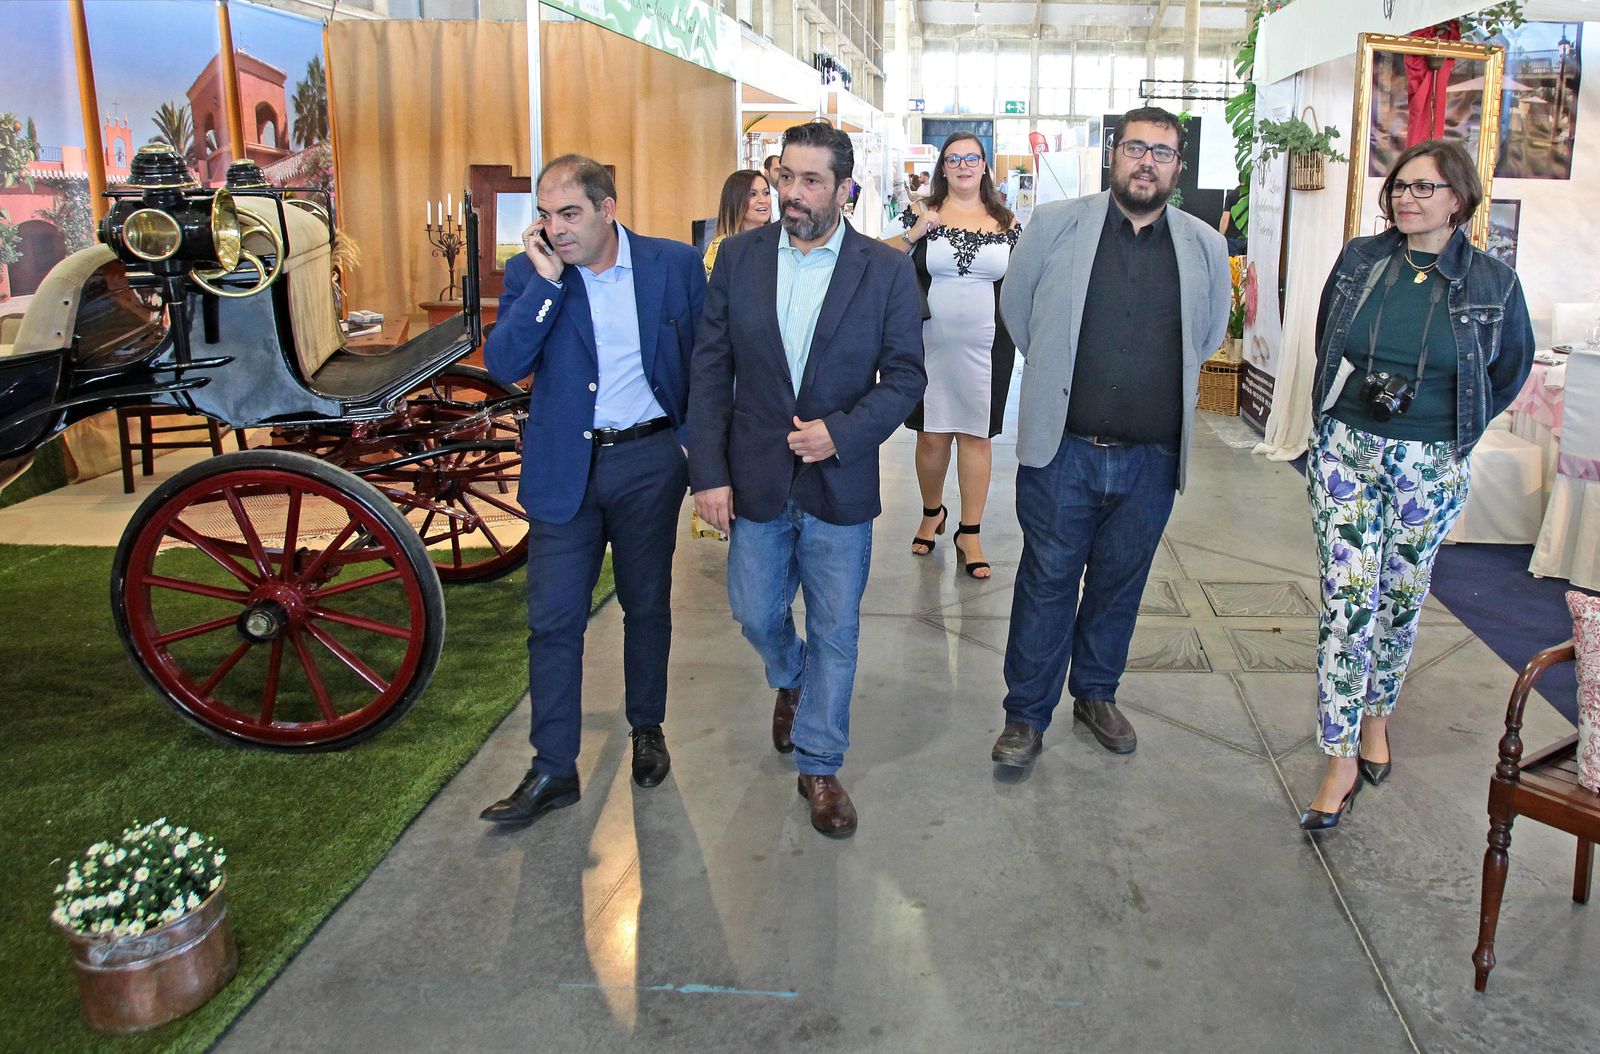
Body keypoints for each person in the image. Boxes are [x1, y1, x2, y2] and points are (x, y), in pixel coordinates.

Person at [689, 121, 925, 837]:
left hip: (838, 484)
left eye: (810, 180)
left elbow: (906, 378)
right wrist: (707, 472)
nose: (792, 193)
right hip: (754, 475)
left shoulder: (883, 271)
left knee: (836, 628)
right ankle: (788, 678)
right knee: (756, 612)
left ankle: (820, 764)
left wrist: (843, 432)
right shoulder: (738, 258)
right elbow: (709, 368)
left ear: (845, 189)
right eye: (784, 177)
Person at [1298, 139, 1533, 830]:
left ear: (1457, 199)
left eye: (1424, 188)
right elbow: (1326, 339)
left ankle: (1378, 719)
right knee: (1347, 601)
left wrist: (1449, 429)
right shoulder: (1362, 261)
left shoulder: (1494, 283)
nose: (1406, 197)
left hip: (1429, 462)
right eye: (1400, 186)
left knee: (1399, 602)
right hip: (1347, 448)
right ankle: (1338, 757)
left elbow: (1508, 370)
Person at [990, 106, 1231, 767]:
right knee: (1046, 581)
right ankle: (1026, 716)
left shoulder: (1204, 247)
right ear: (1113, 154)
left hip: (1151, 461)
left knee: (1119, 585)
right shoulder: (1056, 225)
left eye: (1162, 152)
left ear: (1177, 168)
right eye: (1135, 148)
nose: (1147, 161)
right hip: (1063, 450)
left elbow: (1206, 336)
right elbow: (1019, 309)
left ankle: (1096, 692)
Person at [479, 154, 706, 828]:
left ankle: (647, 729)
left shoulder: (673, 265)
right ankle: (553, 767)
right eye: (545, 216)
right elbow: (504, 363)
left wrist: (690, 449)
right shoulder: (533, 272)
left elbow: (704, 363)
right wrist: (548, 285)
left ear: (609, 207)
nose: (556, 228)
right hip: (564, 470)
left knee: (647, 605)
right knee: (552, 622)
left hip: (647, 463)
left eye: (569, 214)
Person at [884, 133, 1021, 579]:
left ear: (985, 166)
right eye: (954, 158)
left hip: (989, 345)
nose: (963, 165)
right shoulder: (923, 212)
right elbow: (874, 256)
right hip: (928, 342)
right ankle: (932, 511)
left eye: (972, 158)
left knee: (977, 437)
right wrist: (913, 233)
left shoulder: (1007, 220)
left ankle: (971, 532)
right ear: (943, 167)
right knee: (931, 435)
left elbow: (1024, 281)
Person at [703, 169, 772, 277]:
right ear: (736, 200)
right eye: (752, 194)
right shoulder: (721, 247)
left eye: (766, 193)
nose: (763, 200)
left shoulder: (780, 242)